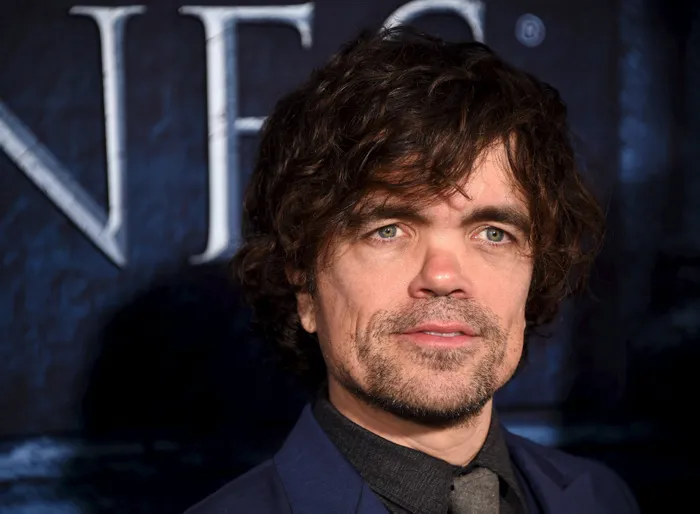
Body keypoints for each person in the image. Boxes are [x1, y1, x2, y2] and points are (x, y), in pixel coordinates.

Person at [185, 26, 639, 514]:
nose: (443, 277)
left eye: (493, 233)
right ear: (304, 284)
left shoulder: (601, 498)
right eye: (388, 230)